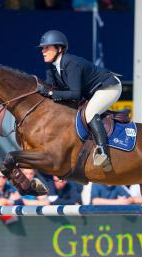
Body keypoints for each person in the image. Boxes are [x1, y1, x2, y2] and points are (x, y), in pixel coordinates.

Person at [36, 30, 122, 170]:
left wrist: (51, 93)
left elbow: (75, 94)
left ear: (59, 49)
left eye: (47, 47)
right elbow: (50, 88)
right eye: (42, 48)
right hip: (93, 91)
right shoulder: (51, 67)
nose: (43, 51)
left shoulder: (71, 63)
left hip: (109, 87)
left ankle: (103, 153)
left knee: (90, 112)